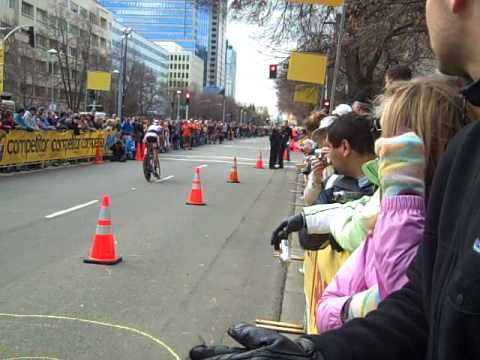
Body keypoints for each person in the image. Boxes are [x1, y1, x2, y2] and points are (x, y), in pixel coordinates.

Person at [188, 1, 480, 358]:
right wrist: (318, 353)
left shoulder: (442, 169)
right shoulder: (467, 153)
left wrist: (400, 193)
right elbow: (421, 306)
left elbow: (397, 281)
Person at [317, 75, 476, 333]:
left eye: (387, 135)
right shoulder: (386, 214)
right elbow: (325, 308)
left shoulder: (414, 214)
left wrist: (401, 197)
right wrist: (362, 305)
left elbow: (403, 311)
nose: (379, 146)